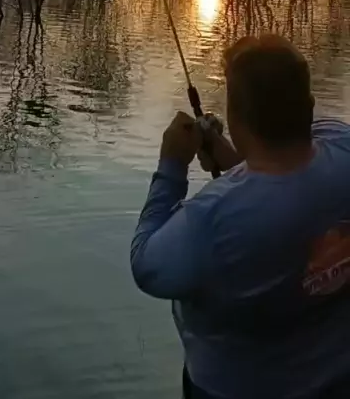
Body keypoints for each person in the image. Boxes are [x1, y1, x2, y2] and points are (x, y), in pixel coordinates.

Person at [131, 35, 350, 399]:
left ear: (234, 119)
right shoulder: (343, 146)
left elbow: (146, 266)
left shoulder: (210, 220)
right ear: (310, 105)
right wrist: (235, 162)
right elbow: (287, 176)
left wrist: (172, 166)